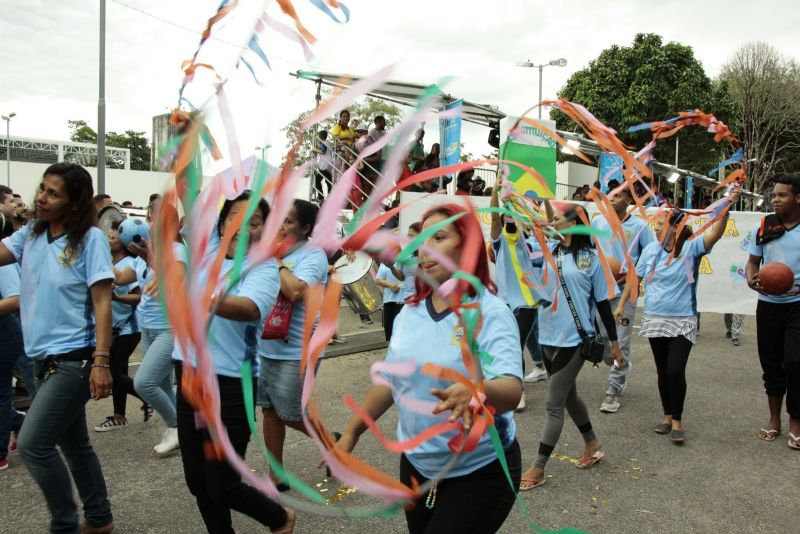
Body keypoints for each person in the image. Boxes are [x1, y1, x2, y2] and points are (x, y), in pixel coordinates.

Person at [336, 203, 524, 533]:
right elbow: (391, 380)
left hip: (481, 468)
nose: (426, 248)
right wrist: (352, 432)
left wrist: (477, 390)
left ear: (467, 247)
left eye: (439, 237)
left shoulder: (490, 312)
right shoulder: (410, 313)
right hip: (417, 466)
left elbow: (511, 389)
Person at [172, 191, 296, 534]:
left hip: (228, 385)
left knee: (222, 484)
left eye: (255, 223)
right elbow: (188, 188)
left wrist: (205, 298)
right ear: (222, 224)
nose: (244, 229)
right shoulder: (208, 249)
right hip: (188, 376)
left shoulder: (264, 268)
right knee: (197, 480)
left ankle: (280, 517)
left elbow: (249, 308)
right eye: (235, 220)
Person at [0, 162, 115, 533]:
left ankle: (63, 524)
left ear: (75, 202)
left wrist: (101, 361)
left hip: (75, 360)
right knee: (75, 446)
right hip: (40, 359)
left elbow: (102, 303)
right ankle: (99, 519)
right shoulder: (31, 233)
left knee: (33, 445)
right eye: (41, 189)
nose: (41, 198)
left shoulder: (90, 239)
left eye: (53, 193)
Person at [520, 204, 623, 490]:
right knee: (568, 397)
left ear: (574, 224)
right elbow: (521, 254)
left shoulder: (591, 259)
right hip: (547, 339)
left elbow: (603, 305)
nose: (551, 223)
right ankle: (592, 443)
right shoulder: (547, 252)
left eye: (556, 219)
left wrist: (615, 343)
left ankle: (538, 467)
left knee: (554, 403)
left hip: (576, 341)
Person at [618, 197, 736, 444]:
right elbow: (634, 279)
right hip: (654, 318)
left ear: (677, 226)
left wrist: (724, 212)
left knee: (675, 369)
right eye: (656, 224)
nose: (658, 228)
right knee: (662, 371)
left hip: (683, 320)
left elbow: (715, 234)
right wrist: (620, 305)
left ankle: (678, 420)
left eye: (662, 223)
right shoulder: (650, 251)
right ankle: (667, 414)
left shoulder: (692, 247)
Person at [258, 199, 329, 490]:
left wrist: (274, 261)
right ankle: (277, 474)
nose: (280, 226)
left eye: (288, 221)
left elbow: (295, 290)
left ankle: (334, 442)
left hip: (297, 351)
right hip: (266, 345)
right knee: (269, 410)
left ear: (305, 228)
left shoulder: (313, 256)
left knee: (291, 414)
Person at [745, 176, 800, 448]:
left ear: (798, 198)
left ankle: (796, 420)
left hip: (797, 305)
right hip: (768, 305)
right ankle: (774, 420)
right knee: (771, 363)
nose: (775, 199)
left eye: (782, 195)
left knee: (795, 362)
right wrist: (751, 278)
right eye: (774, 195)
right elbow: (752, 262)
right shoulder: (766, 225)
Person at [592, 181, 654, 413]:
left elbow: (650, 254)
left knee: (622, 338)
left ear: (629, 200)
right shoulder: (597, 222)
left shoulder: (640, 227)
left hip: (625, 292)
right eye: (610, 195)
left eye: (618, 196)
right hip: (600, 289)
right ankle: (619, 362)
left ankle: (613, 389)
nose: (612, 199)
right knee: (603, 339)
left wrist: (632, 275)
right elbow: (592, 251)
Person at [490, 178, 547, 411]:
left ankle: (518, 391)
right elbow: (494, 216)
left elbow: (546, 224)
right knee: (524, 340)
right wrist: (495, 190)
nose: (508, 221)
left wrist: (541, 203)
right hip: (505, 303)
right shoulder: (500, 241)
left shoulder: (532, 242)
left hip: (528, 303)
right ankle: (541, 366)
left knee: (515, 344)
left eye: (513, 218)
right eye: (506, 219)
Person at [94, 221, 145, 432]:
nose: (109, 240)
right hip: (116, 328)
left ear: (124, 242)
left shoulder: (128, 265)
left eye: (113, 238)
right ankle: (119, 416)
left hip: (129, 329)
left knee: (113, 372)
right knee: (118, 371)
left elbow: (138, 297)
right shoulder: (113, 263)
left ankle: (148, 395)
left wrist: (116, 297)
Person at [0, 213, 25, 471]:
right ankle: (19, 423)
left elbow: (15, 298)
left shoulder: (5, 264)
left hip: (6, 334)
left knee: (0, 394)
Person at [375, 260, 403, 341]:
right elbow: (378, 280)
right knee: (388, 327)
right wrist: (390, 285)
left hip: (403, 300)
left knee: (398, 327)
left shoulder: (404, 260)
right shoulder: (384, 263)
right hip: (388, 300)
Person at [312, 130, 333, 201]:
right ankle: (330, 196)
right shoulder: (328, 143)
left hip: (324, 165)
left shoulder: (323, 143)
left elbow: (322, 151)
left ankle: (320, 196)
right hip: (329, 164)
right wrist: (318, 147)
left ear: (320, 137)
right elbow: (324, 149)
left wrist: (314, 149)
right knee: (328, 181)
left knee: (317, 180)